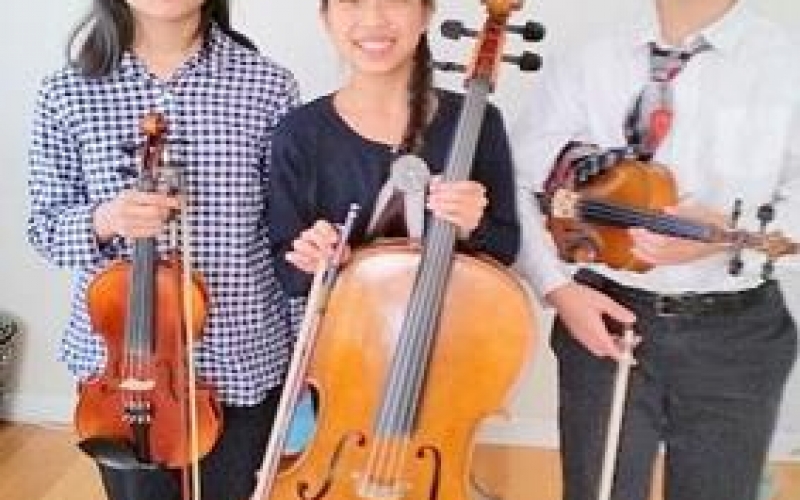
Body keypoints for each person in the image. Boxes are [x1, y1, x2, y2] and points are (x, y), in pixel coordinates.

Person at [513, 1, 800, 500]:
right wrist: (559, 291)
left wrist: (728, 235)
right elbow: (517, 179)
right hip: (606, 315)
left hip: (737, 333)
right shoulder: (589, 53)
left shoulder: (786, 60)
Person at [26, 1, 299, 499]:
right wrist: (106, 219)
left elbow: (286, 231)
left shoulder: (268, 85)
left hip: (240, 355)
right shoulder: (66, 91)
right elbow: (44, 226)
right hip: (124, 376)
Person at [268, 0, 519, 317]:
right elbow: (288, 275)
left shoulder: (479, 121)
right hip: (344, 339)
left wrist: (472, 226)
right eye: (351, 2)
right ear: (326, 18)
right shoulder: (299, 133)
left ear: (426, 13)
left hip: (454, 331)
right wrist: (311, 259)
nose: (373, 18)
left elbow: (506, 249)